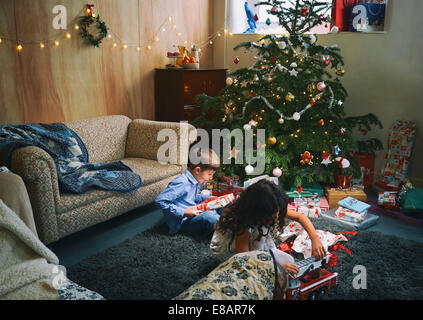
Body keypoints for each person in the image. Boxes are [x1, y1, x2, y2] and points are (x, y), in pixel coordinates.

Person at [210, 179, 327, 277]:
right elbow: (242, 259)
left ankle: (265, 258)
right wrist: (273, 268)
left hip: (253, 242)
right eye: (273, 214)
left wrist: (315, 239)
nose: (277, 216)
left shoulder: (271, 207)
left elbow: (301, 217)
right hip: (234, 253)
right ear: (258, 211)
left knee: (289, 262)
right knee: (257, 274)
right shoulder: (243, 224)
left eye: (278, 212)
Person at [155, 148, 221, 236]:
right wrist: (183, 212)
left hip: (195, 211)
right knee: (208, 216)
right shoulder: (182, 182)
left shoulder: (195, 179)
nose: (211, 178)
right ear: (197, 170)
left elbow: (192, 197)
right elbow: (159, 201)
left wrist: (208, 198)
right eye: (209, 174)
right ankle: (231, 229)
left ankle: (229, 221)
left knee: (220, 202)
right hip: (183, 223)